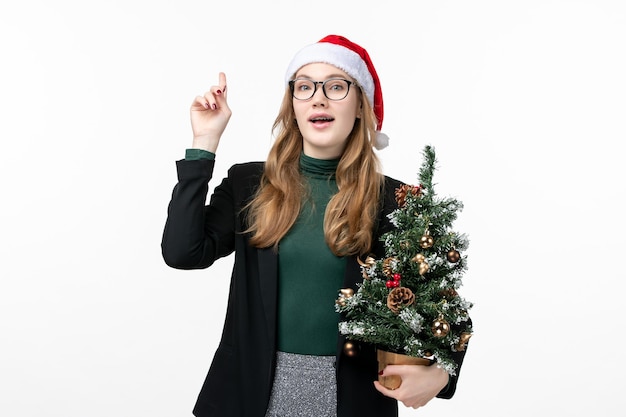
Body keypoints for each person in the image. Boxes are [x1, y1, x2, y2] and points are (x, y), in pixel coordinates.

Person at [161, 34, 469, 417]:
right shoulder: (248, 184)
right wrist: (204, 143)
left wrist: (440, 376)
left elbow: (449, 314)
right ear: (293, 106)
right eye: (304, 87)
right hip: (247, 396)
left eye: (336, 87)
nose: (319, 98)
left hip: (351, 400)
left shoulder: (397, 202)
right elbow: (182, 252)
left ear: (360, 106)